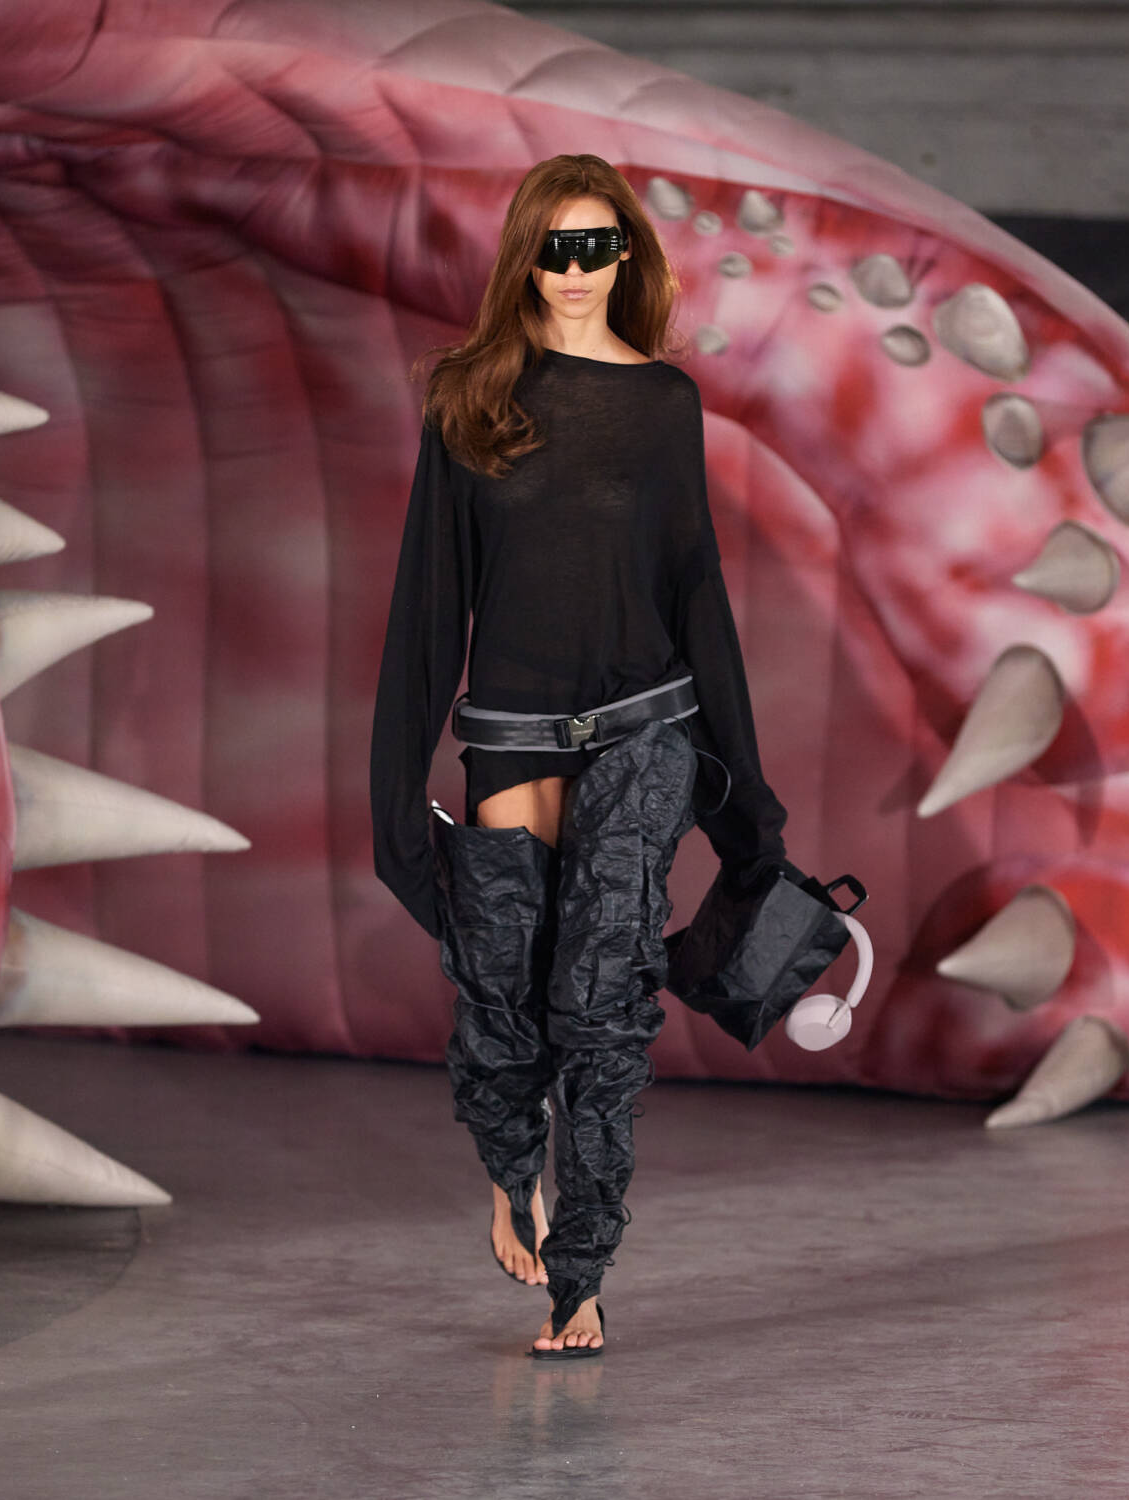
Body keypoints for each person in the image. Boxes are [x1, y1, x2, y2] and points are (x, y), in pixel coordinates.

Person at [370, 153, 789, 1358]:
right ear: (524, 258)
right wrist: (394, 798)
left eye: (596, 245)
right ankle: (514, 1178)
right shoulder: (470, 399)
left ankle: (583, 1276)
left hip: (646, 727)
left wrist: (748, 803)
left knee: (602, 1005)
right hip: (511, 730)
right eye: (553, 247)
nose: (574, 270)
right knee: (504, 997)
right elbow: (427, 609)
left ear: (628, 257)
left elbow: (697, 593)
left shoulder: (665, 405)